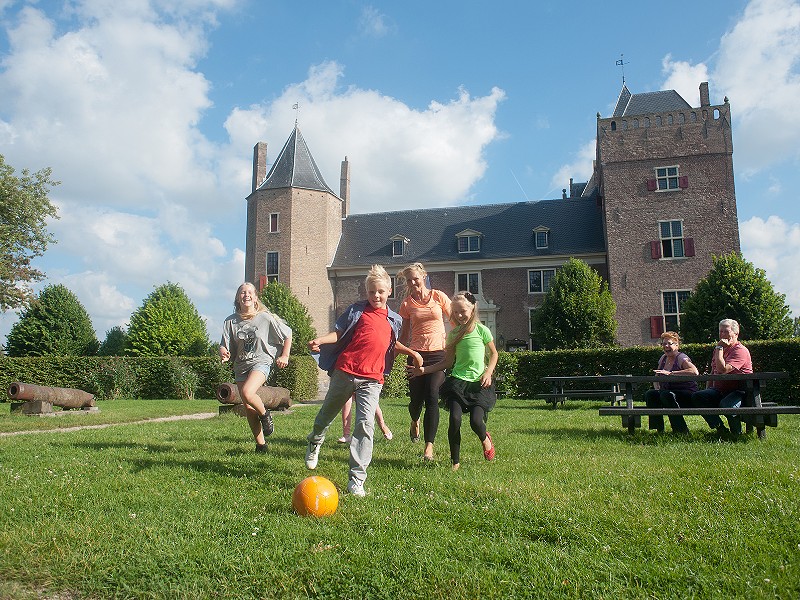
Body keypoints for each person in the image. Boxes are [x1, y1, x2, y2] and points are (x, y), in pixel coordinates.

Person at [306, 265, 422, 497]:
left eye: (380, 291)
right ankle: (315, 440)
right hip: (346, 371)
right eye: (371, 292)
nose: (376, 296)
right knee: (326, 414)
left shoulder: (395, 319)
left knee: (365, 426)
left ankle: (357, 479)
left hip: (373, 379)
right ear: (366, 292)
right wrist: (321, 339)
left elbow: (391, 345)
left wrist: (413, 353)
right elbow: (339, 333)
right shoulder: (356, 311)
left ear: (389, 291)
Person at [408, 292, 497, 471]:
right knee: (454, 419)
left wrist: (488, 372)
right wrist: (423, 370)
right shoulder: (454, 334)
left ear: (472, 308)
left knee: (476, 422)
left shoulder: (482, 330)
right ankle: (455, 462)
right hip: (458, 383)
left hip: (478, 384)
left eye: (462, 311)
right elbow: (447, 362)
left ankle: (485, 438)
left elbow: (494, 354)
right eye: (455, 312)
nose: (458, 315)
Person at [220, 282, 292, 453]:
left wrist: (285, 355)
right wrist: (224, 353)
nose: (246, 295)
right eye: (243, 292)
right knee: (249, 408)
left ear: (255, 297)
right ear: (238, 297)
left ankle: (266, 415)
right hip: (241, 366)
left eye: (250, 292)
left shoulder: (265, 318)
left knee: (247, 392)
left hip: (261, 362)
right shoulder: (230, 321)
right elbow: (224, 344)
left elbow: (287, 333)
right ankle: (261, 445)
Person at [397, 263, 451, 460]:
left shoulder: (439, 296)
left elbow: (455, 321)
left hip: (438, 354)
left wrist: (461, 343)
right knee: (415, 401)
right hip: (416, 354)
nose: (413, 282)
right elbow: (403, 336)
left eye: (416, 278)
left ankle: (429, 446)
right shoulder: (406, 304)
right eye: (409, 280)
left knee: (432, 394)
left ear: (424, 277)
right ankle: (414, 420)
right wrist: (393, 355)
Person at [691, 318, 753, 436]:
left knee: (727, 405)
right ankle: (721, 430)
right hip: (720, 390)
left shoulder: (740, 351)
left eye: (726, 331)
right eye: (721, 331)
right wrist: (707, 388)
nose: (723, 335)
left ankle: (736, 435)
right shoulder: (719, 349)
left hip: (740, 391)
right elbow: (713, 371)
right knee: (698, 397)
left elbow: (722, 370)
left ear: (736, 334)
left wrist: (719, 348)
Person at [644, 331, 698, 434]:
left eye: (669, 343)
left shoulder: (681, 358)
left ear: (677, 345)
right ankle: (658, 430)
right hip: (667, 392)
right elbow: (657, 376)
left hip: (686, 393)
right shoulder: (663, 358)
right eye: (664, 344)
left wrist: (671, 373)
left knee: (667, 395)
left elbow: (694, 372)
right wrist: (657, 388)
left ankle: (681, 430)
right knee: (650, 394)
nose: (666, 346)